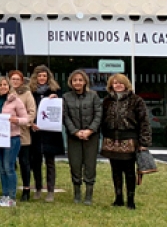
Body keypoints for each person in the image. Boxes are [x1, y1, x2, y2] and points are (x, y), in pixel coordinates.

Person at [100, 74, 150, 210]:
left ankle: (131, 200)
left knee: (129, 171)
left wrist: (144, 142)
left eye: (120, 83)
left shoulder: (136, 100)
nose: (118, 85)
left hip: (129, 139)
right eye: (115, 83)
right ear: (111, 85)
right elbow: (101, 119)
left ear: (126, 84)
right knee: (115, 170)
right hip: (111, 139)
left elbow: (144, 121)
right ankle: (118, 198)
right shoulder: (106, 101)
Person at [0, 77, 29, 207]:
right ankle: (4, 195)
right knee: (1, 168)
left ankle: (12, 197)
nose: (3, 87)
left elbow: (26, 119)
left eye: (5, 85)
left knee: (9, 167)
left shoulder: (16, 101)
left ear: (9, 87)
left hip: (12, 137)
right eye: (0, 85)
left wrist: (16, 120)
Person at [63, 69, 102, 205]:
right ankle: (77, 193)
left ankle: (89, 194)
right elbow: (65, 116)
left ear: (85, 81)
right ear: (71, 82)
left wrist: (90, 130)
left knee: (90, 165)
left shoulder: (94, 96)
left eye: (80, 80)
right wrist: (75, 131)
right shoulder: (66, 97)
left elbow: (98, 114)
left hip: (91, 137)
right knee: (75, 165)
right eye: (75, 80)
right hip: (74, 137)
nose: (77, 82)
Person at [29, 65, 64, 202]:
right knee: (36, 161)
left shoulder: (56, 91)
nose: (42, 78)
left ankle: (50, 191)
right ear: (35, 77)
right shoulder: (31, 92)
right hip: (36, 131)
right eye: (39, 76)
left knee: (50, 162)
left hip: (51, 133)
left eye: (44, 76)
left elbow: (61, 110)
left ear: (48, 77)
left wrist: (56, 99)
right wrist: (31, 123)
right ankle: (38, 188)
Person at [9, 71, 36, 201]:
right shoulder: (5, 93)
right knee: (8, 162)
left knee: (24, 162)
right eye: (12, 79)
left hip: (22, 133)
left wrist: (22, 121)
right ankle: (9, 189)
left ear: (21, 81)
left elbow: (32, 112)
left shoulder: (27, 94)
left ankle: (26, 189)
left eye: (17, 79)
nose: (14, 81)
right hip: (7, 134)